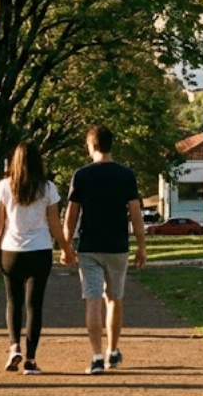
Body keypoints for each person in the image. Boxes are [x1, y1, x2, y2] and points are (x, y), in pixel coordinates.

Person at [0, 141, 77, 376]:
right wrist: (66, 248)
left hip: (10, 251)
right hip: (40, 250)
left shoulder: (4, 186)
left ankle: (14, 346)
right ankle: (31, 359)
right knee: (34, 304)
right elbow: (55, 224)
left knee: (13, 301)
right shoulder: (47, 188)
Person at [63, 125, 148, 375]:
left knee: (92, 299)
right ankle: (113, 350)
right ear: (112, 145)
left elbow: (71, 215)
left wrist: (66, 245)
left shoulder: (81, 175)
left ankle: (97, 357)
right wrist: (141, 246)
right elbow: (135, 214)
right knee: (114, 299)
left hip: (89, 246)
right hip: (117, 246)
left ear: (91, 146)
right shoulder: (126, 175)